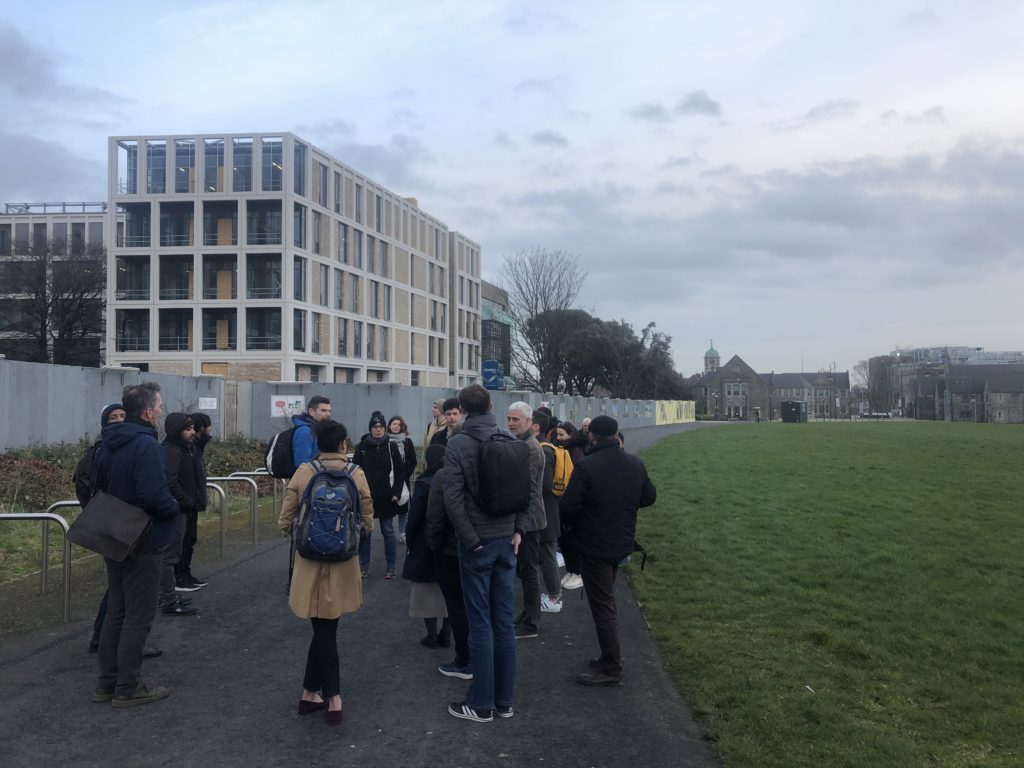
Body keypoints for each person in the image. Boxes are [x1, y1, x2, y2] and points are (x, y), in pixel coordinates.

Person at [442, 384, 529, 722]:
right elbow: (528, 491)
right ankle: (504, 701)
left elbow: (453, 498)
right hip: (508, 540)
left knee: (480, 624)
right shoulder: (511, 441)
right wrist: (519, 529)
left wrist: (469, 538)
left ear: (462, 410)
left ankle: (480, 704)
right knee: (503, 622)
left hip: (477, 543)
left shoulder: (457, 444)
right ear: (492, 406)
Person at [279, 419, 374, 726]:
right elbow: (368, 517)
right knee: (327, 629)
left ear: (318, 444)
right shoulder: (355, 474)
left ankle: (310, 694)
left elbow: (287, 515)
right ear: (344, 444)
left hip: (309, 559)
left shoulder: (305, 471)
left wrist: (293, 532)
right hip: (342, 560)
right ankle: (333, 698)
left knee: (322, 630)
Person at [91, 382, 179, 707]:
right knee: (138, 615)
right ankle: (128, 687)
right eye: (158, 406)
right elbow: (153, 495)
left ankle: (106, 683)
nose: (160, 411)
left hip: (112, 534)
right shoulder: (145, 445)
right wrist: (173, 508)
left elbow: (96, 484)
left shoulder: (107, 443)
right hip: (142, 538)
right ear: (147, 412)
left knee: (116, 610)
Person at [560, 415, 657, 686]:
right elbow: (649, 496)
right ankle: (607, 657)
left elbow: (568, 507)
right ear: (616, 433)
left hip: (594, 544)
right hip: (621, 540)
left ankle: (612, 667)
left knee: (603, 606)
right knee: (606, 600)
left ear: (592, 437)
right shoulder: (634, 462)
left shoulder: (587, 466)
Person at [77, 404, 160, 659]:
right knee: (124, 595)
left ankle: (105, 642)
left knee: (118, 592)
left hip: (120, 524)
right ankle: (110, 645)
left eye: (123, 416)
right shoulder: (103, 451)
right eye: (112, 417)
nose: (118, 421)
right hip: (122, 526)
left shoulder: (117, 448)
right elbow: (86, 484)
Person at [426, 424, 472, 681]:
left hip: (451, 549)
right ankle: (483, 658)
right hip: (483, 546)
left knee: (457, 606)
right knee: (479, 604)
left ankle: (465, 659)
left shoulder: (444, 475)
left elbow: (434, 517)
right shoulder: (486, 468)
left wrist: (436, 546)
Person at [402, 445, 451, 648]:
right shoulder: (453, 478)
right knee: (451, 592)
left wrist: (410, 540)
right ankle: (446, 633)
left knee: (426, 591)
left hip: (425, 542)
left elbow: (414, 518)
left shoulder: (423, 484)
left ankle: (431, 635)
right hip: (450, 542)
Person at [506, 401, 545, 640]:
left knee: (529, 572)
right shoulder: (523, 444)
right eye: (509, 419)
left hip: (530, 520)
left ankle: (532, 622)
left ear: (530, 422)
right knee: (524, 570)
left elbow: (529, 490)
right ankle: (528, 615)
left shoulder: (530, 448)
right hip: (525, 518)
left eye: (516, 419)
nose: (511, 423)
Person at [353, 411, 405, 579]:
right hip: (366, 497)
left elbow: (399, 471)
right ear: (370, 429)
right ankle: (364, 565)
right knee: (366, 532)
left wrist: (396, 492)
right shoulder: (361, 447)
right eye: (375, 427)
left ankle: (391, 567)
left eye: (381, 427)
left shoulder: (391, 446)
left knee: (388, 531)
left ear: (385, 428)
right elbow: (355, 470)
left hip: (387, 496)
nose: (378, 430)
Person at [158, 413, 201, 617]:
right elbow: (170, 482)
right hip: (176, 511)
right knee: (170, 556)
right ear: (177, 430)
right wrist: (186, 500)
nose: (193, 432)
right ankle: (168, 599)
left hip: (182, 509)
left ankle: (167, 595)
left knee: (171, 555)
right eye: (188, 429)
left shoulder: (184, 449)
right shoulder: (172, 451)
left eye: (192, 428)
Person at [531, 411, 563, 614]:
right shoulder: (545, 447)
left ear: (535, 427)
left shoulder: (543, 450)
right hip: (547, 510)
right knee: (546, 553)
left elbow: (546, 485)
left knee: (547, 555)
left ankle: (554, 597)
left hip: (545, 512)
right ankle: (553, 594)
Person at [176, 411, 211, 591]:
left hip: (192, 500)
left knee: (190, 539)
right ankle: (180, 576)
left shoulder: (195, 448)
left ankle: (185, 572)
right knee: (185, 540)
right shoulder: (186, 449)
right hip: (187, 502)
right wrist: (188, 499)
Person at [388, 415, 417, 544]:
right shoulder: (385, 441)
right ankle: (388, 533)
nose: (396, 426)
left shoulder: (407, 441)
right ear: (389, 425)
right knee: (388, 506)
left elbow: (412, 460)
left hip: (403, 479)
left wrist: (404, 475)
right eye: (393, 424)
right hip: (388, 478)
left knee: (403, 507)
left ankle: (403, 532)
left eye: (398, 424)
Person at [291, 396, 332, 470]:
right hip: (306, 480)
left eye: (329, 411)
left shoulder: (317, 430)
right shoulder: (305, 431)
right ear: (311, 411)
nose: (328, 414)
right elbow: (302, 465)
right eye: (323, 410)